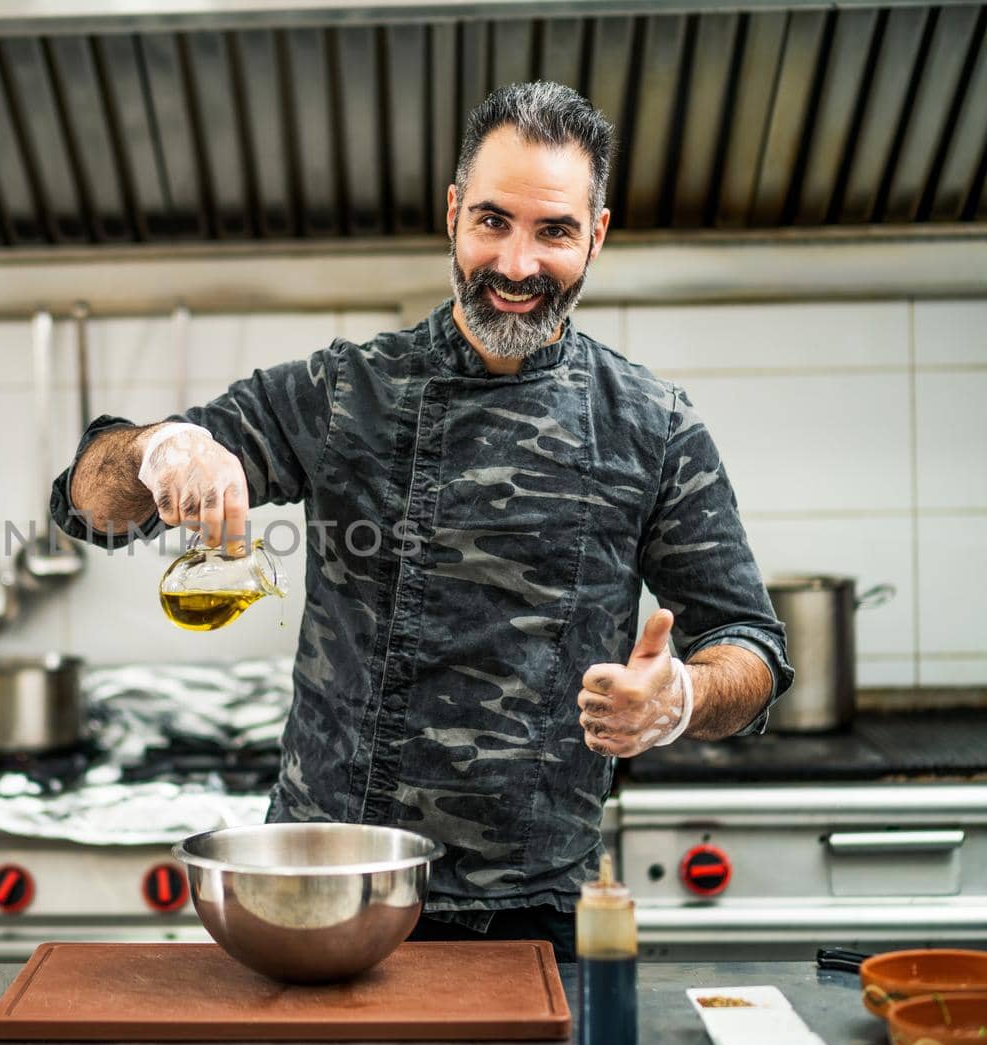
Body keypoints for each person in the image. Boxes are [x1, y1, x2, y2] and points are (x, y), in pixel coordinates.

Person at [48, 81, 792, 962]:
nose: (516, 266)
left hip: (534, 908)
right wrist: (157, 451)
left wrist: (685, 697)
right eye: (492, 221)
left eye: (552, 231)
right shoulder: (344, 393)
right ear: (451, 215)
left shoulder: (652, 426)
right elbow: (88, 507)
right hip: (322, 887)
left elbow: (751, 646)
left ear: (595, 234)